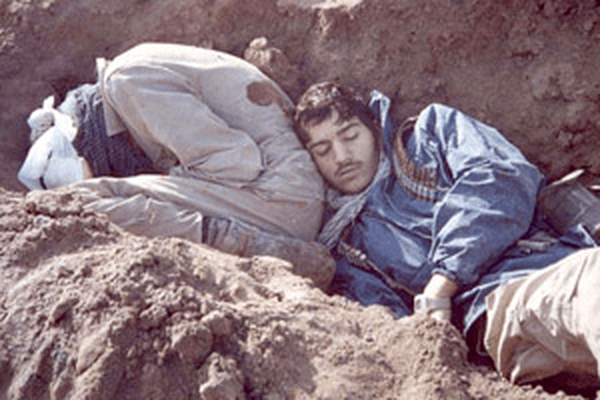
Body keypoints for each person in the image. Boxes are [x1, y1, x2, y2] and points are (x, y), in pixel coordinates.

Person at [293, 81, 600, 389]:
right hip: (499, 316)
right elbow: (390, 331)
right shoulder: (346, 250)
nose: (341, 156)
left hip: (550, 267)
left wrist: (443, 282)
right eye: (323, 150)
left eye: (350, 136)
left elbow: (500, 177)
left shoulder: (431, 134)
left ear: (373, 127)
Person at [18, 43, 335, 289]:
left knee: (78, 204)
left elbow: (236, 163)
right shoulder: (133, 74)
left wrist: (161, 187)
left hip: (279, 202)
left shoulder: (126, 80)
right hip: (285, 196)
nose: (112, 171)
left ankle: (247, 245)